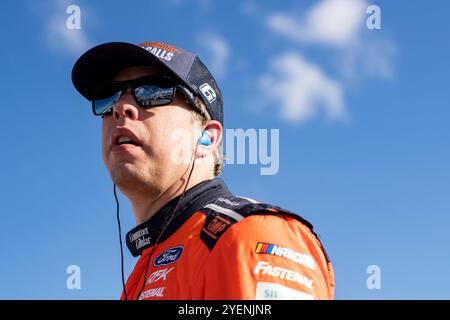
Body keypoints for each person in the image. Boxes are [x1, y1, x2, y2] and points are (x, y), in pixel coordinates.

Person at [71, 41, 335, 300]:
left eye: (151, 91)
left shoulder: (249, 236)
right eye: (109, 95)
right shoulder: (147, 268)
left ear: (205, 139)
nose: (119, 108)